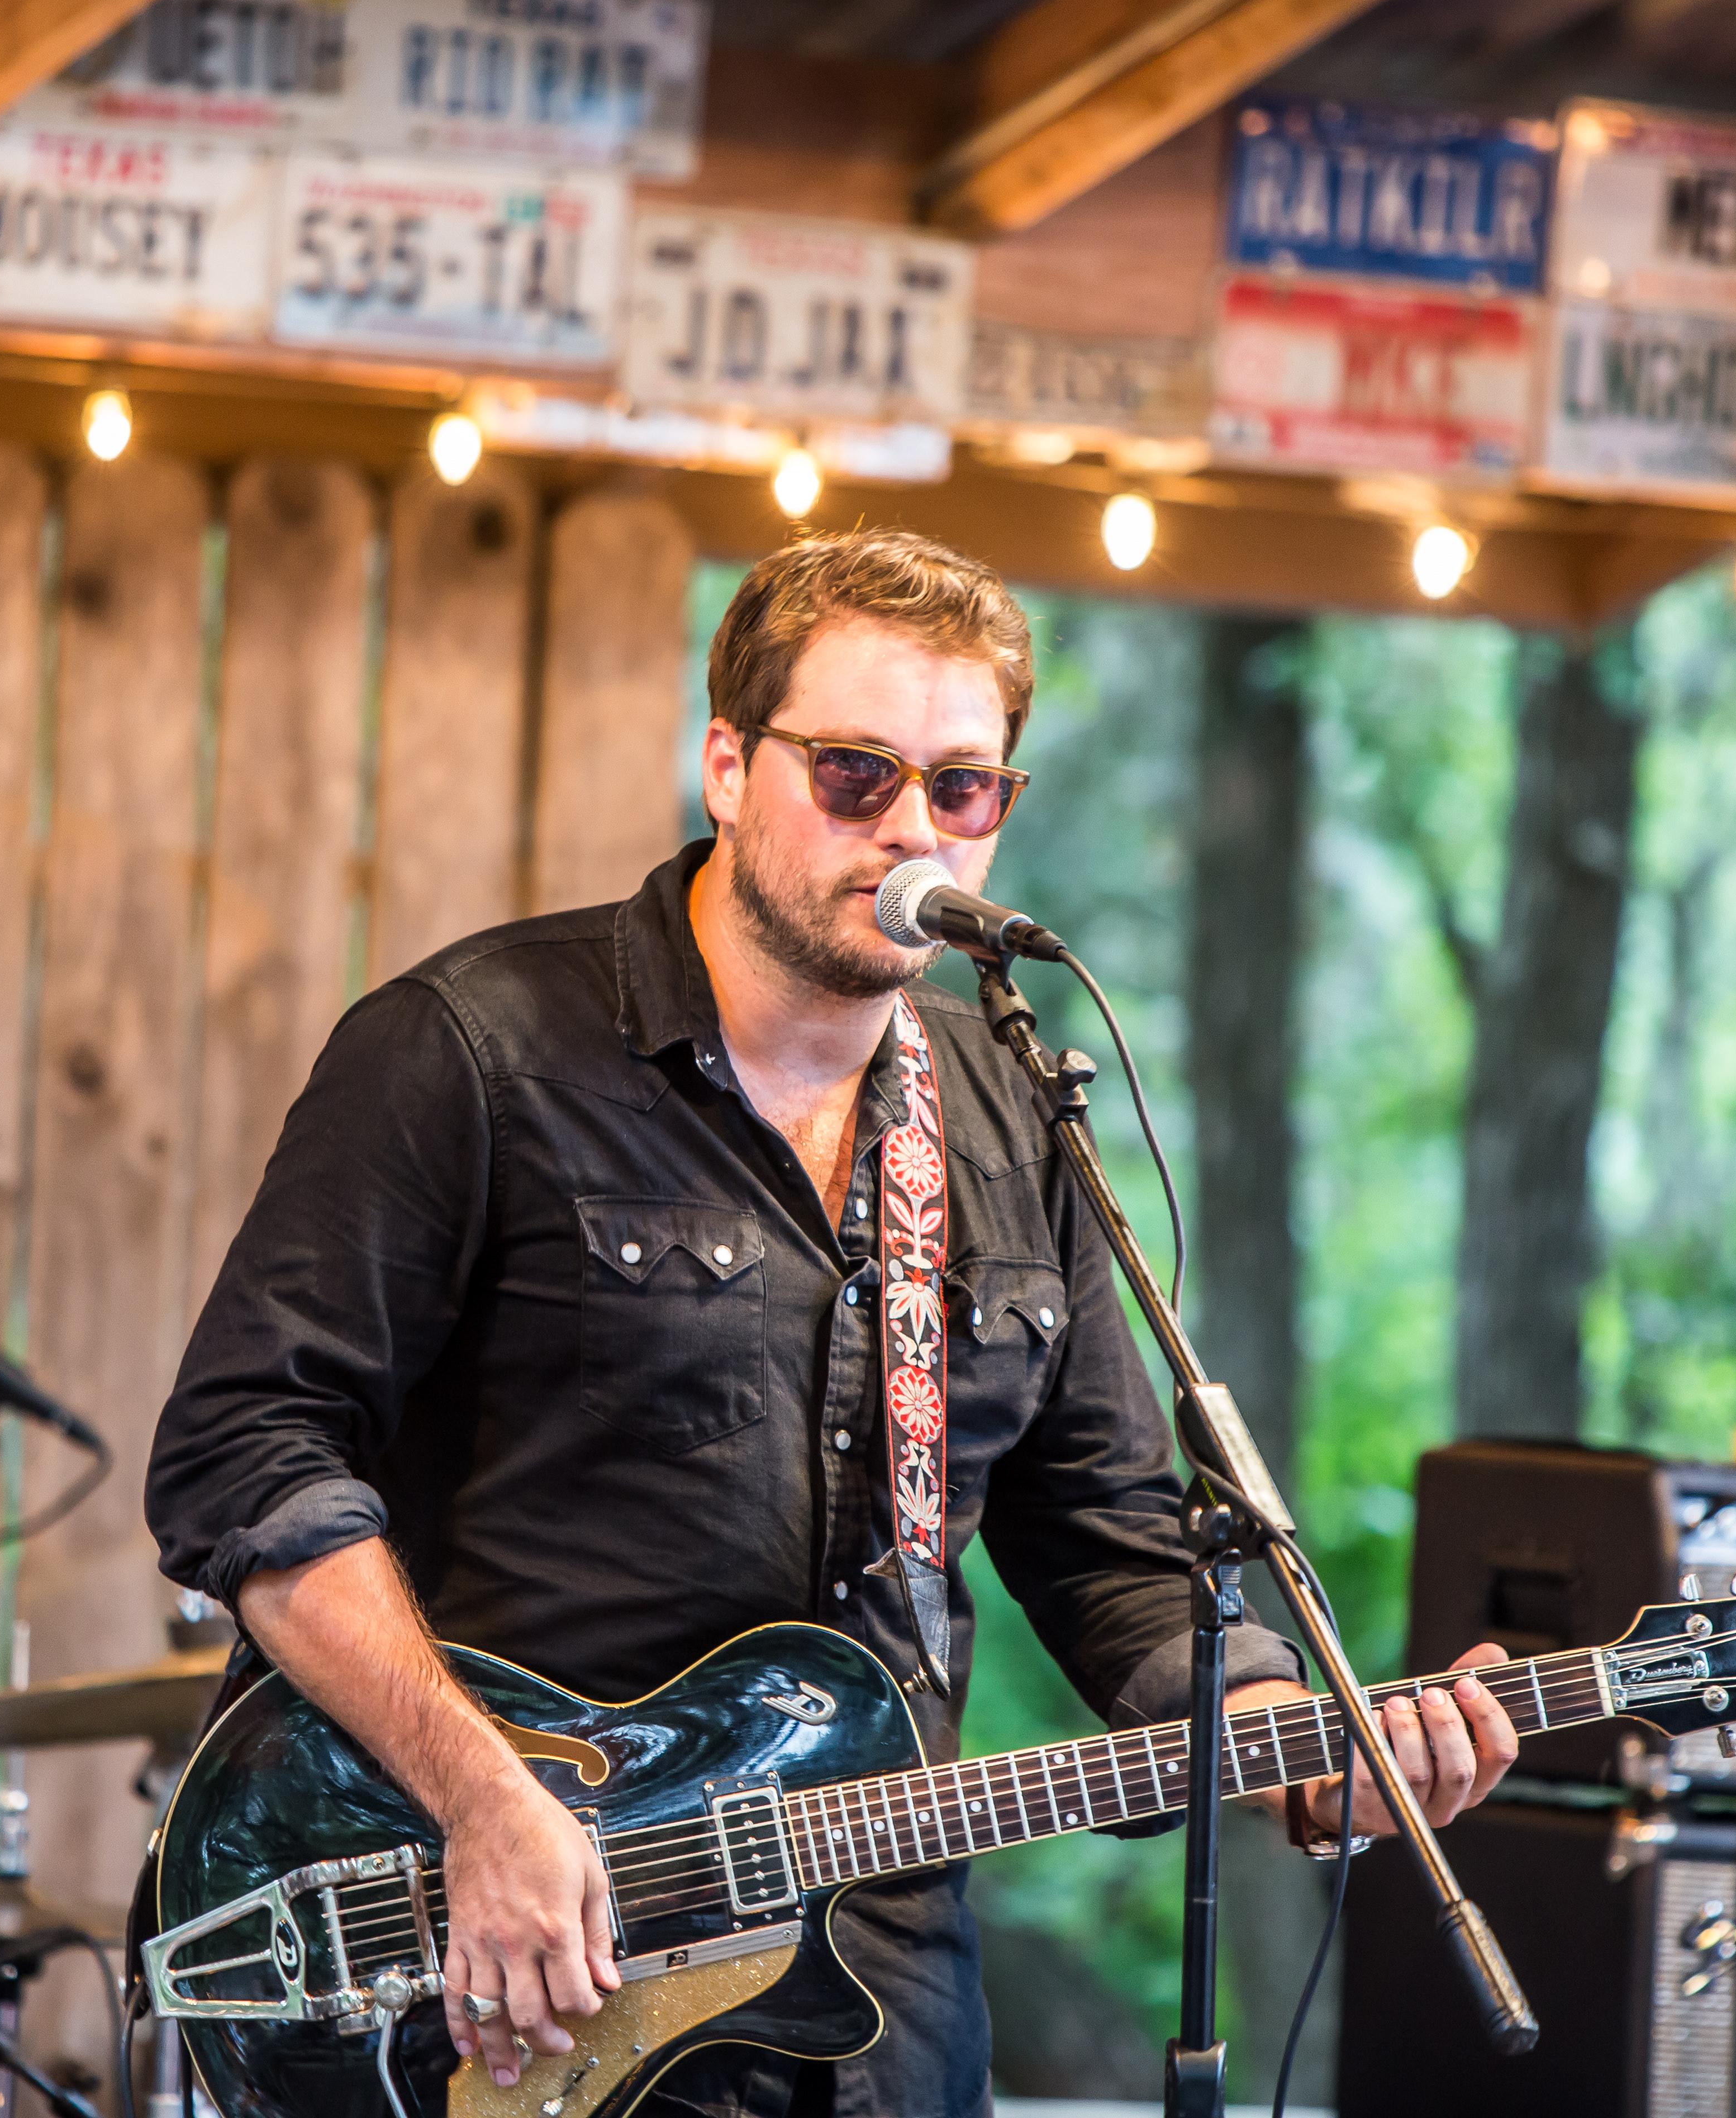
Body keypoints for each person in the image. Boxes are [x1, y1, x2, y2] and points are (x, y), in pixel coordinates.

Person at [146, 531, 1519, 2117]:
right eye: (857, 776)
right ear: (727, 764)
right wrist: (484, 1798)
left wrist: (1295, 1736)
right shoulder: (469, 1052)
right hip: (500, 1955)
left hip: (879, 1979)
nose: (913, 831)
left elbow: (1116, 1550)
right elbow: (245, 1457)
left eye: (964, 789)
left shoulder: (1013, 1113)